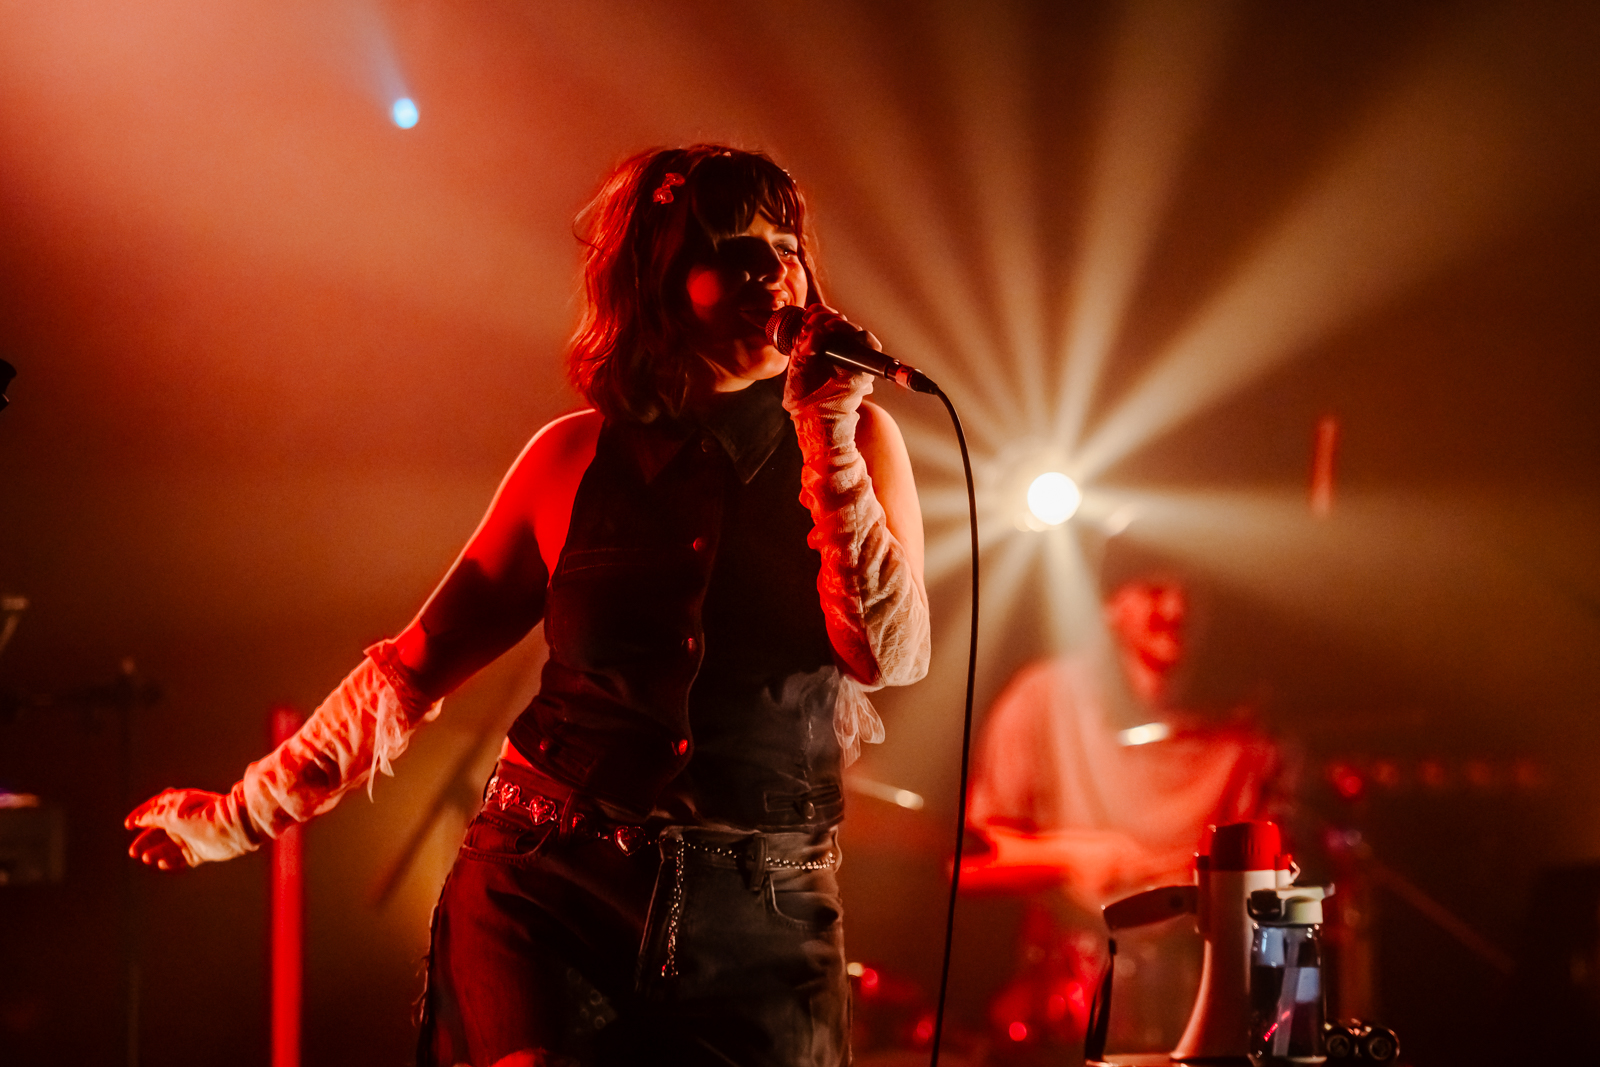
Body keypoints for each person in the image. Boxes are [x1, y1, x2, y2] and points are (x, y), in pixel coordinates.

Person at [124, 145, 931, 1067]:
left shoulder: (857, 436)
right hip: (549, 887)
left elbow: (888, 654)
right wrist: (240, 814)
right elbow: (414, 667)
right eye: (734, 252)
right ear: (659, 275)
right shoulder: (570, 456)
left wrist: (827, 438)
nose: (772, 274)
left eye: (784, 250)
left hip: (766, 909)